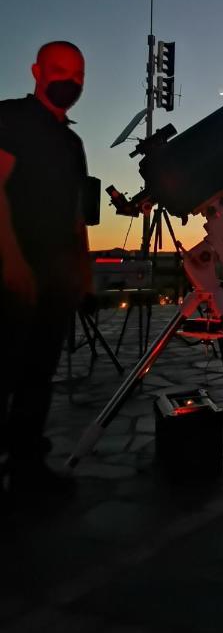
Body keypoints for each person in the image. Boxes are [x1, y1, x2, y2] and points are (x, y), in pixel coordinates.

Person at [0, 41, 91, 498]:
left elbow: (77, 214)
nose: (69, 82)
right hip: (12, 274)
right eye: (60, 71)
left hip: (55, 280)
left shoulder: (72, 143)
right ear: (36, 70)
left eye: (77, 76)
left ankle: (28, 469)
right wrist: (12, 262)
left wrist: (83, 266)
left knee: (38, 377)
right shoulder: (11, 119)